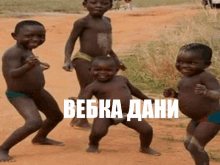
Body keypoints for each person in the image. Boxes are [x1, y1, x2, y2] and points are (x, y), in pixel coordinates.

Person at [0, 20, 64, 162]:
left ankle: (40, 138)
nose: (36, 39)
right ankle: (3, 148)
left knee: (56, 116)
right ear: (14, 36)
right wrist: (29, 67)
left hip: (38, 92)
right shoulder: (13, 53)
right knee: (34, 122)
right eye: (29, 36)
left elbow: (27, 67)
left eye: (40, 36)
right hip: (19, 95)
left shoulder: (26, 50)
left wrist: (39, 67)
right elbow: (12, 73)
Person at [70, 56, 160, 155]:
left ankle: (145, 147)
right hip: (106, 114)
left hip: (127, 113)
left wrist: (146, 99)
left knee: (147, 130)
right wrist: (79, 102)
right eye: (98, 70)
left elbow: (134, 90)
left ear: (116, 70)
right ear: (90, 70)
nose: (102, 73)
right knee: (98, 132)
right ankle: (93, 144)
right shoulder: (92, 87)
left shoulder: (122, 80)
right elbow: (85, 99)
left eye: (108, 70)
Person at [63, 0, 126, 130]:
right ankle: (81, 120)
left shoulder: (107, 21)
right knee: (89, 88)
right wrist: (67, 59)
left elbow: (106, 44)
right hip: (84, 59)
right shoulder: (82, 22)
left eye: (103, 3)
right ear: (85, 4)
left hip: (102, 62)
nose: (98, 5)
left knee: (98, 88)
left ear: (110, 6)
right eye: (93, 2)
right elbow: (71, 41)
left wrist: (116, 59)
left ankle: (79, 118)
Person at [163, 43, 220, 165]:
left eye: (191, 63)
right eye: (180, 62)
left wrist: (207, 92)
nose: (184, 66)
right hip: (196, 119)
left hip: (212, 117)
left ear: (206, 64)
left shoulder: (206, 76)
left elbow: (218, 93)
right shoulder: (184, 78)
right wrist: (174, 95)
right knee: (188, 144)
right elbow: (187, 96)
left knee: (195, 147)